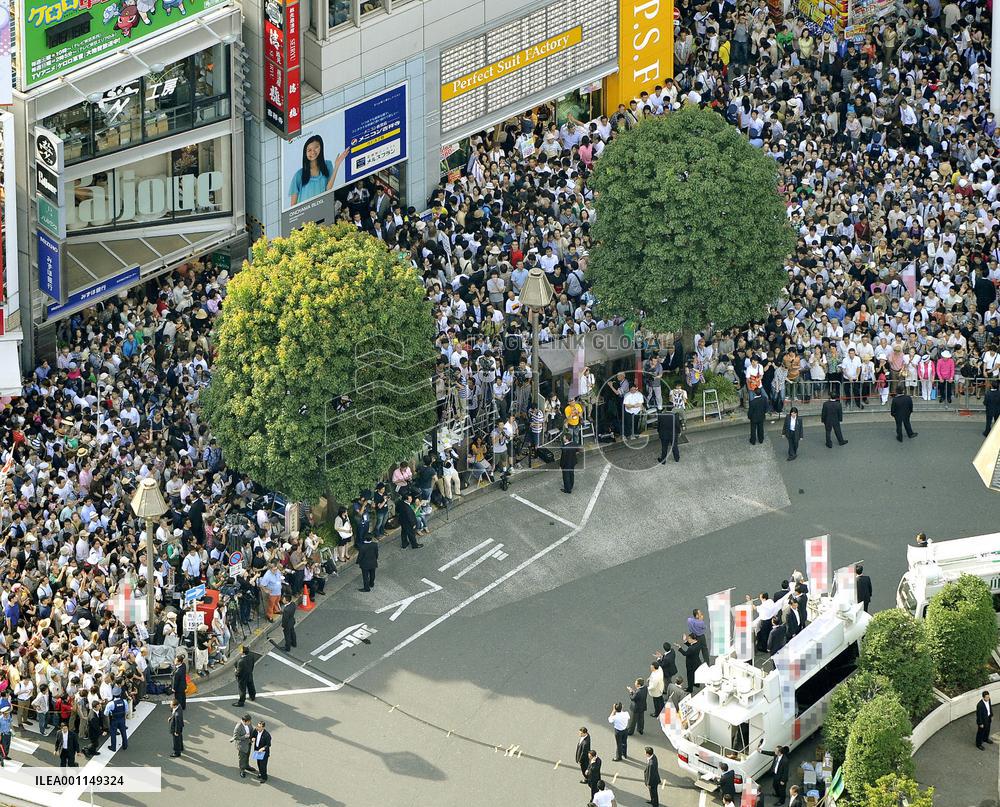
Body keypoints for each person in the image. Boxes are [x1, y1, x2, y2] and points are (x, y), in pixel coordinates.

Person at [287, 136, 347, 206]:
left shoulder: (327, 164)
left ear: (321, 148)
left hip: (320, 208)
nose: (313, 152)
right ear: (305, 153)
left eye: (316, 147)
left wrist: (337, 165)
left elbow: (328, 189)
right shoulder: (299, 174)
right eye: (309, 150)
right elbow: (293, 204)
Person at [104, 686, 129, 752]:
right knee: (123, 732)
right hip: (122, 719)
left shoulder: (110, 704)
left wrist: (110, 713)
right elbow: (126, 710)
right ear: (120, 694)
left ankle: (113, 747)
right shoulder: (124, 701)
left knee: (113, 734)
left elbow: (105, 713)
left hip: (114, 720)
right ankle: (125, 745)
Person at [232, 713, 253, 778]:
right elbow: (235, 737)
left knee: (247, 755)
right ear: (244, 721)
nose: (250, 723)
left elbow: (251, 730)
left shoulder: (249, 723)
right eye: (249, 722)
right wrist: (244, 736)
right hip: (242, 745)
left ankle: (247, 766)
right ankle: (242, 770)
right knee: (242, 758)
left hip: (248, 743)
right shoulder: (238, 727)